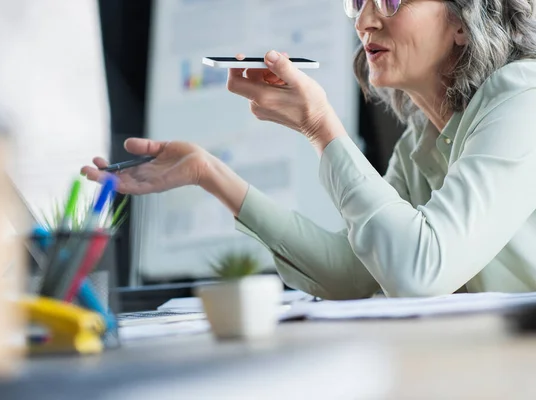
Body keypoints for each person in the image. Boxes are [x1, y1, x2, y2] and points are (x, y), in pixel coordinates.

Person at [82, 0, 536, 299]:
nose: (364, 20)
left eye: (392, 1)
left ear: (463, 20)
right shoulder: (424, 137)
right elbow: (351, 272)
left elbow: (419, 269)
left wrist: (321, 127)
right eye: (359, 2)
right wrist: (210, 175)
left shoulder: (523, 96)